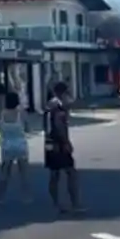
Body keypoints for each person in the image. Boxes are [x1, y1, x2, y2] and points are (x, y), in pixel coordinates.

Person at [44, 81, 82, 213]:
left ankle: (56, 204)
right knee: (71, 172)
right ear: (62, 93)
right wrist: (66, 143)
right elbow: (59, 126)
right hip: (58, 143)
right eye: (67, 92)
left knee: (54, 174)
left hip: (49, 143)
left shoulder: (50, 105)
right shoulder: (58, 107)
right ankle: (75, 204)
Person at [0, 91, 31, 203]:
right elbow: (27, 128)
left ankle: (1, 197)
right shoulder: (21, 113)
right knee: (24, 172)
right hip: (20, 144)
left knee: (5, 172)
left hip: (7, 144)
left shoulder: (2, 114)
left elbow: (0, 128)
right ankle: (26, 196)